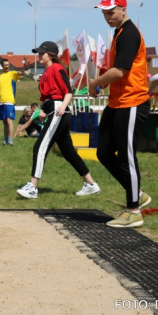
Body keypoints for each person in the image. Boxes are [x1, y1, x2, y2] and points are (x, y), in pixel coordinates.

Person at [88, 0, 152, 228]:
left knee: (127, 156)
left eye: (111, 12)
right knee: (103, 152)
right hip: (117, 102)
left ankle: (133, 211)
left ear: (123, 9)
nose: (107, 16)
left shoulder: (130, 34)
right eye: (104, 12)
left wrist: (95, 82)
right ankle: (138, 194)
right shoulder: (118, 32)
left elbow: (120, 71)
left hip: (133, 102)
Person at [16, 41, 100, 200]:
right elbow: (48, 96)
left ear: (51, 55)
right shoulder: (48, 71)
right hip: (53, 109)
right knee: (68, 152)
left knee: (40, 147)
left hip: (59, 110)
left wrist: (62, 107)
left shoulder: (56, 68)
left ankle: (32, 187)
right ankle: (91, 184)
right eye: (39, 53)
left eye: (42, 53)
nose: (39, 55)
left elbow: (68, 91)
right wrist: (42, 109)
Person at [0, 59, 24, 146]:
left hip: (9, 101)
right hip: (1, 102)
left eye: (8, 65)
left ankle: (11, 141)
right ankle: (5, 140)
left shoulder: (12, 74)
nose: (7, 66)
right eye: (5, 65)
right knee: (4, 122)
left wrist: (21, 72)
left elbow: (19, 74)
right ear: (2, 66)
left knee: (9, 120)